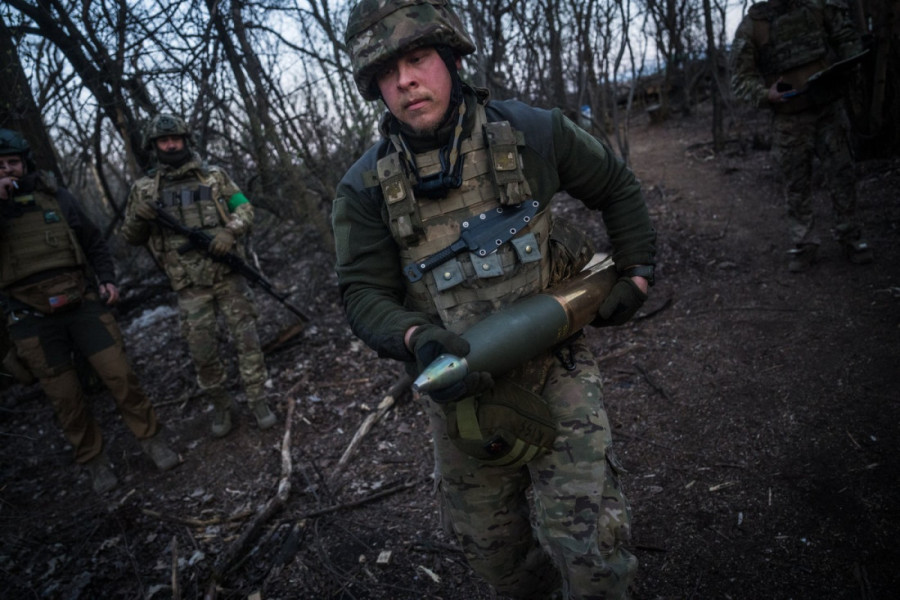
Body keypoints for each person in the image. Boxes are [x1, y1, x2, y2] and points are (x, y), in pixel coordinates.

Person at [333, 1, 657, 598]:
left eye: (417, 58)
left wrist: (636, 273)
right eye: (386, 72)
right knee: (495, 556)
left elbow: (615, 185)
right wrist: (415, 337)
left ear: (451, 58)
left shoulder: (534, 132)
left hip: (556, 364)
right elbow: (361, 292)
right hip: (460, 393)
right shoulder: (363, 189)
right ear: (374, 88)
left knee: (589, 550)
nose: (405, 80)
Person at [0, 128, 179, 494]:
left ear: (25, 163)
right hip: (30, 318)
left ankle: (153, 441)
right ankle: (94, 462)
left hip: (80, 302)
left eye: (12, 163)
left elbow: (93, 240)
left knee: (120, 376)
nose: (7, 170)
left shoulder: (57, 197)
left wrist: (107, 280)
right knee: (65, 397)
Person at [121, 114, 276, 438]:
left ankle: (258, 400)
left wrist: (230, 231)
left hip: (227, 275)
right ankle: (221, 404)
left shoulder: (215, 177)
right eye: (164, 141)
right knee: (202, 351)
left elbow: (245, 208)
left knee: (248, 342)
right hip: (189, 285)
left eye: (175, 139)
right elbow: (131, 237)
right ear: (154, 146)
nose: (171, 145)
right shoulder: (145, 189)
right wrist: (138, 216)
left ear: (186, 140)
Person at [730, 0, 872, 272]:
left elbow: (847, 40)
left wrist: (850, 68)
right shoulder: (754, 25)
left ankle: (851, 235)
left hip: (829, 108)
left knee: (842, 173)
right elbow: (740, 78)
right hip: (789, 118)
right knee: (796, 183)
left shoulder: (817, 6)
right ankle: (804, 242)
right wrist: (765, 95)